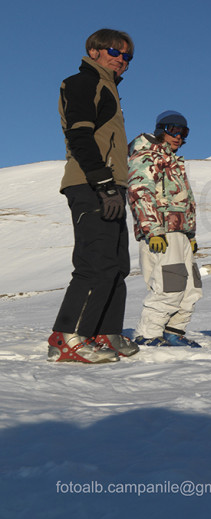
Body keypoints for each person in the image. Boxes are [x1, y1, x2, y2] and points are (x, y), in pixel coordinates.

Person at [49, 29, 139, 363]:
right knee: (95, 261)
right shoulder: (83, 82)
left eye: (127, 56)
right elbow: (79, 135)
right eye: (115, 52)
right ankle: (67, 336)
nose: (121, 59)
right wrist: (102, 181)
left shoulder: (109, 90)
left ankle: (105, 331)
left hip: (111, 185)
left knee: (116, 264)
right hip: (90, 183)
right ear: (94, 51)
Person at [127, 110, 203, 347]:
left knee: (191, 287)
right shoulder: (147, 156)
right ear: (161, 130)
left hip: (179, 233)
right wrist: (152, 230)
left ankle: (174, 330)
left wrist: (189, 233)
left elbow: (183, 201)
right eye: (174, 130)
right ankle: (147, 334)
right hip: (161, 233)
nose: (179, 137)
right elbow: (140, 192)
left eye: (184, 132)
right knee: (170, 285)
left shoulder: (172, 160)